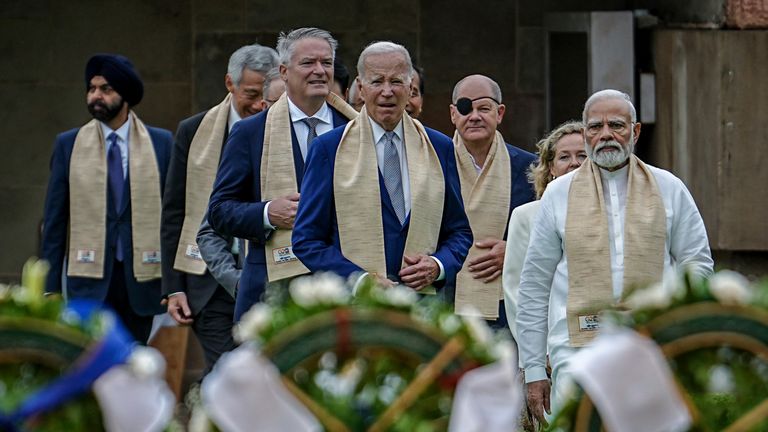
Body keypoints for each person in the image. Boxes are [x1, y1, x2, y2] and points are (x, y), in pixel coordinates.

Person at [517, 89, 714, 424]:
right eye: (595, 127)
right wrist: (534, 368)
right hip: (576, 349)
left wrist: (687, 336)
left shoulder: (669, 188)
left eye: (616, 125)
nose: (605, 134)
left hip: (654, 347)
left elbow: (698, 267)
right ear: (585, 132)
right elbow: (535, 283)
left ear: (635, 132)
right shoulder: (558, 194)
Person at [292, 41, 472, 295]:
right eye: (377, 82)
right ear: (361, 88)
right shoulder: (329, 149)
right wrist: (359, 280)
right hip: (354, 309)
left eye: (396, 82)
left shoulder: (439, 147)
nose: (387, 91)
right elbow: (306, 240)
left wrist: (438, 265)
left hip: (425, 309)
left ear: (410, 89)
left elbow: (459, 232)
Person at [208, 28, 357, 321]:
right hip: (272, 289)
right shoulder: (250, 132)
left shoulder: (356, 129)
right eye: (308, 63)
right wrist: (267, 213)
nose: (319, 71)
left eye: (326, 63)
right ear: (284, 71)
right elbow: (219, 211)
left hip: (346, 283)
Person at [161, 44, 277, 372]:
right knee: (225, 372)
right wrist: (173, 288)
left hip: (269, 272)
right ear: (230, 83)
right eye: (251, 93)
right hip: (207, 282)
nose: (259, 104)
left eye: (266, 95)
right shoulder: (193, 130)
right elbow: (174, 210)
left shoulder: (285, 129)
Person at [41, 54, 172, 344]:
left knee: (134, 363)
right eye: (91, 88)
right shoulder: (69, 144)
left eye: (106, 89)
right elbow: (54, 220)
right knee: (90, 364)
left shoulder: (161, 143)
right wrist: (49, 286)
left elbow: (173, 218)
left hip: (141, 279)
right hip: (89, 280)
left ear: (125, 96)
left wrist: (176, 285)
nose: (96, 96)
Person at [449, 74, 537, 328]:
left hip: (507, 299)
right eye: (466, 108)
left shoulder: (530, 167)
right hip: (448, 296)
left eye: (483, 108)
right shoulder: (434, 160)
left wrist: (516, 249)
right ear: (454, 114)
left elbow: (549, 229)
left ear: (499, 113)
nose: (474, 116)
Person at [502, 120, 586, 339]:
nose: (574, 163)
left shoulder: (614, 213)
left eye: (583, 156)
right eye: (564, 157)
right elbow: (516, 290)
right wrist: (535, 351)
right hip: (548, 340)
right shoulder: (525, 216)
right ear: (551, 167)